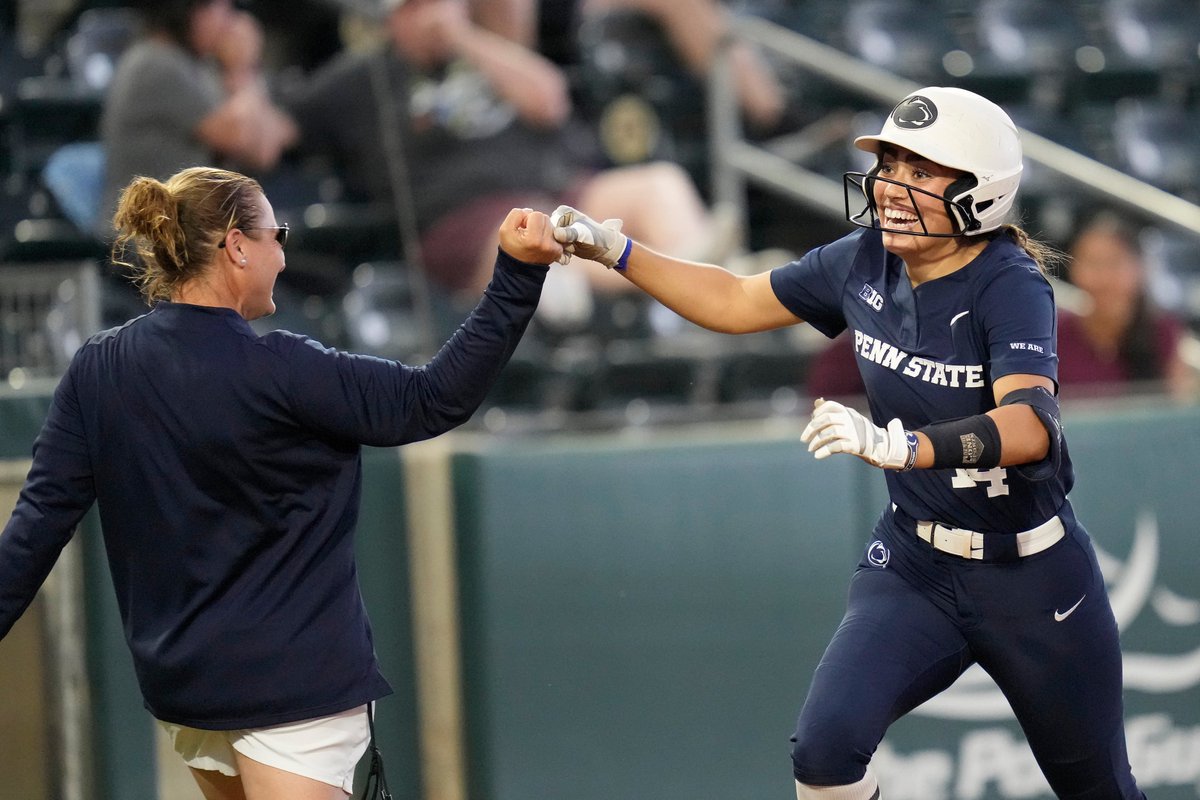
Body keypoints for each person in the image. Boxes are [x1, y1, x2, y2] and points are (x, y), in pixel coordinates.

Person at [551, 86, 1147, 800]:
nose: (892, 185)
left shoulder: (1009, 284)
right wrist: (617, 249)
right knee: (825, 751)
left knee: (1101, 791)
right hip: (917, 561)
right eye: (890, 163)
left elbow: (1030, 427)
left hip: (1034, 575)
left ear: (979, 192)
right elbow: (735, 300)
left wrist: (906, 450)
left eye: (920, 171)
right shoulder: (864, 259)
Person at [0, 165, 561, 799]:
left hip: (186, 692)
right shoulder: (286, 370)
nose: (284, 252)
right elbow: (434, 398)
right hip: (292, 693)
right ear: (237, 246)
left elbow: (36, 527)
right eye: (277, 234)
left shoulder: (98, 367)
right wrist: (516, 273)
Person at [283, 0, 733, 312]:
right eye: (417, 6)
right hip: (466, 229)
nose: (434, 14)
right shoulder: (360, 78)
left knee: (659, 184)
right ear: (393, 17)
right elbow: (275, 132)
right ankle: (686, 280)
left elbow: (549, 99)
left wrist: (463, 39)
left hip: (555, 194)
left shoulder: (482, 50)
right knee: (551, 267)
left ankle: (701, 278)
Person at [97, 0, 298, 237]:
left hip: (194, 234)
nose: (228, 21)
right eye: (217, 7)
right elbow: (244, 139)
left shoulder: (196, 66)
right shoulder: (154, 64)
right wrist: (242, 68)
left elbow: (265, 149)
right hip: (150, 241)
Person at [1057, 210, 1197, 401]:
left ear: (1140, 267)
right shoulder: (1055, 333)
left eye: (1114, 263)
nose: (1103, 278)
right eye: (1093, 263)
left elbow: (1177, 411)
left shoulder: (1164, 332)